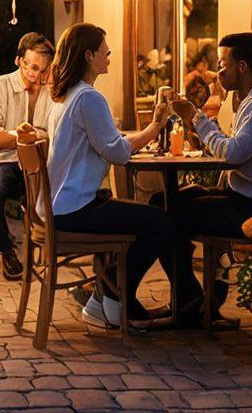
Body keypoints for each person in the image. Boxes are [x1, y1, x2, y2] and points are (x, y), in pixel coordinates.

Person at [48, 22, 175, 331]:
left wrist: (134, 135)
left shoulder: (66, 98)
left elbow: (108, 144)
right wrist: (154, 128)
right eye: (105, 50)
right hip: (75, 210)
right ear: (89, 55)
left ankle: (105, 301)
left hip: (58, 207)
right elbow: (117, 153)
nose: (109, 54)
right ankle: (113, 298)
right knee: (163, 223)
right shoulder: (88, 98)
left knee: (141, 218)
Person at [170, 31, 252, 320]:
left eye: (222, 64)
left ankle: (192, 302)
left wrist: (196, 117)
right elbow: (234, 149)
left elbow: (232, 153)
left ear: (241, 67)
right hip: (244, 197)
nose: (218, 71)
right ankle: (194, 300)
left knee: (169, 212)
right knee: (165, 200)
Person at [0, 32, 55, 280]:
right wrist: (25, 137)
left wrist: (27, 136)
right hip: (0, 160)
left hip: (37, 162)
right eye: (32, 66)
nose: (36, 74)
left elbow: (54, 132)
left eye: (42, 69)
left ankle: (48, 247)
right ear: (18, 60)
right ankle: (7, 251)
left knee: (59, 184)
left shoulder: (51, 91)